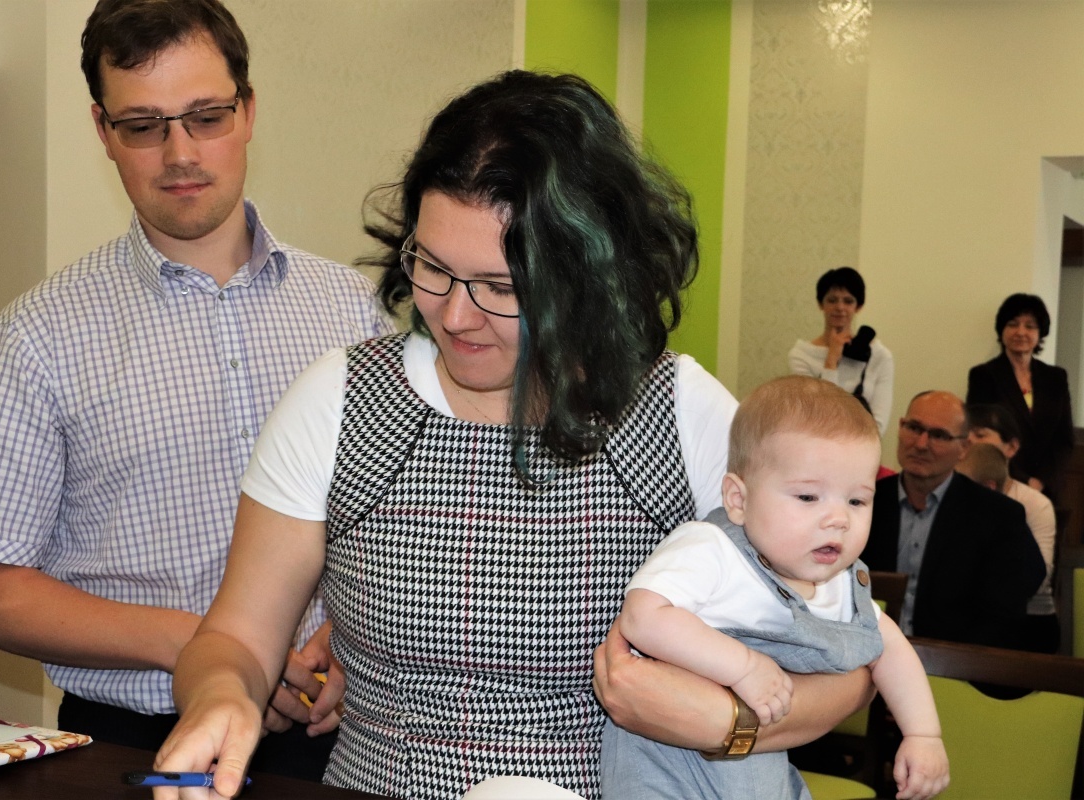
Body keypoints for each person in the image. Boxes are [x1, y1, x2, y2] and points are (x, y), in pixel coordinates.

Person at [152, 71, 872, 800]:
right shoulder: (340, 400)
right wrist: (223, 696)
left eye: (501, 287)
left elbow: (855, 659)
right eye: (433, 268)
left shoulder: (679, 411)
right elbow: (236, 638)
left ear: (585, 274)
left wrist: (727, 723)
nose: (455, 315)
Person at [0, 0, 390, 779]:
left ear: (248, 112)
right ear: (103, 131)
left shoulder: (348, 308)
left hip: (336, 729)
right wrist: (209, 647)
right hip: (134, 740)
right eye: (143, 126)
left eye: (206, 117)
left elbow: (398, 513)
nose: (180, 153)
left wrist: (346, 640)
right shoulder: (41, 334)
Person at [601, 376, 949, 800]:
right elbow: (643, 618)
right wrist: (744, 666)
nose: (838, 519)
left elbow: (889, 649)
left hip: (760, 778)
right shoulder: (712, 549)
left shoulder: (841, 585)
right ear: (739, 499)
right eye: (808, 497)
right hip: (667, 772)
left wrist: (923, 733)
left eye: (857, 501)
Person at [860, 392, 1045, 649]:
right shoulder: (864, 502)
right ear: (901, 427)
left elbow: (1004, 613)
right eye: (914, 428)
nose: (921, 444)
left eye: (939, 435)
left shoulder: (997, 515)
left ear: (964, 448)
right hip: (866, 656)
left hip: (954, 661)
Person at [961, 404, 1059, 653]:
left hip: (1029, 619)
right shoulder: (957, 494)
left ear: (1011, 447)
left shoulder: (1033, 503)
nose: (969, 441)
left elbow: (1038, 576)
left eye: (980, 434)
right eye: (965, 434)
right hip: (971, 614)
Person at [966, 293, 1073, 501]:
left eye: (1030, 326)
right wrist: (1023, 480)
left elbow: (1064, 439)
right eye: (1013, 324)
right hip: (999, 483)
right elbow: (980, 434)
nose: (1021, 332)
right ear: (1002, 330)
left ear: (1040, 333)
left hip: (1047, 490)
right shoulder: (983, 375)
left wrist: (1041, 481)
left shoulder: (1056, 377)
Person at [788, 267, 894, 436]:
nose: (839, 307)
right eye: (832, 300)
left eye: (848, 301)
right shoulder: (801, 355)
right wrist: (831, 361)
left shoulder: (879, 356)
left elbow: (878, 426)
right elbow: (817, 414)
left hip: (864, 445)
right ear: (820, 304)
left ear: (858, 306)